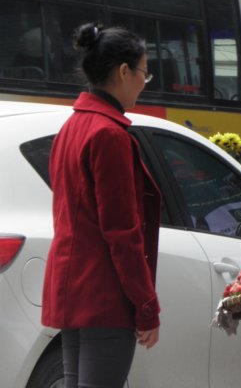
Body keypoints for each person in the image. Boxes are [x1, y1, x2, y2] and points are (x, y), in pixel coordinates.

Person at [42, 23, 162, 388]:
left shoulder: (72, 127)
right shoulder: (108, 135)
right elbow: (122, 233)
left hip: (72, 291)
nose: (144, 82)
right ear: (124, 72)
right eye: (144, 72)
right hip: (104, 296)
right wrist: (146, 307)